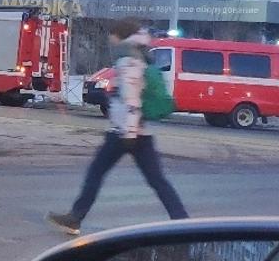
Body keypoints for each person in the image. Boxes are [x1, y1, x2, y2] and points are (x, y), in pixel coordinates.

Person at [47, 18, 188, 234]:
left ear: (120, 35)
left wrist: (128, 132)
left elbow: (131, 99)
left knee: (96, 173)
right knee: (157, 180)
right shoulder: (140, 55)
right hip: (140, 132)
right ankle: (182, 222)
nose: (109, 39)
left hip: (124, 133)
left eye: (111, 34)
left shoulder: (129, 60)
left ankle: (75, 218)